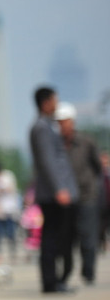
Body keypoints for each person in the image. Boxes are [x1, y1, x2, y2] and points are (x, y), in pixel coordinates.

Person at [29, 86, 79, 293]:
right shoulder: (41, 127)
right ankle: (50, 281)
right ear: (45, 102)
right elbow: (47, 160)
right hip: (52, 194)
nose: (56, 105)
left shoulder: (47, 126)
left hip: (55, 192)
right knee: (51, 238)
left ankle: (55, 279)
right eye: (54, 101)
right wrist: (59, 188)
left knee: (56, 237)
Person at [54, 101, 102, 285]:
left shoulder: (86, 142)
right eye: (59, 122)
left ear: (71, 122)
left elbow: (97, 167)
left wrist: (90, 185)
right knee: (66, 238)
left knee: (88, 235)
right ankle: (66, 272)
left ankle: (88, 272)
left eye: (64, 121)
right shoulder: (56, 144)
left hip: (87, 195)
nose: (62, 126)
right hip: (66, 198)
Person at [0, 162, 21, 264]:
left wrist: (1, 190)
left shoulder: (7, 176)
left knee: (11, 233)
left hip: (10, 210)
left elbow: (12, 189)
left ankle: (13, 253)